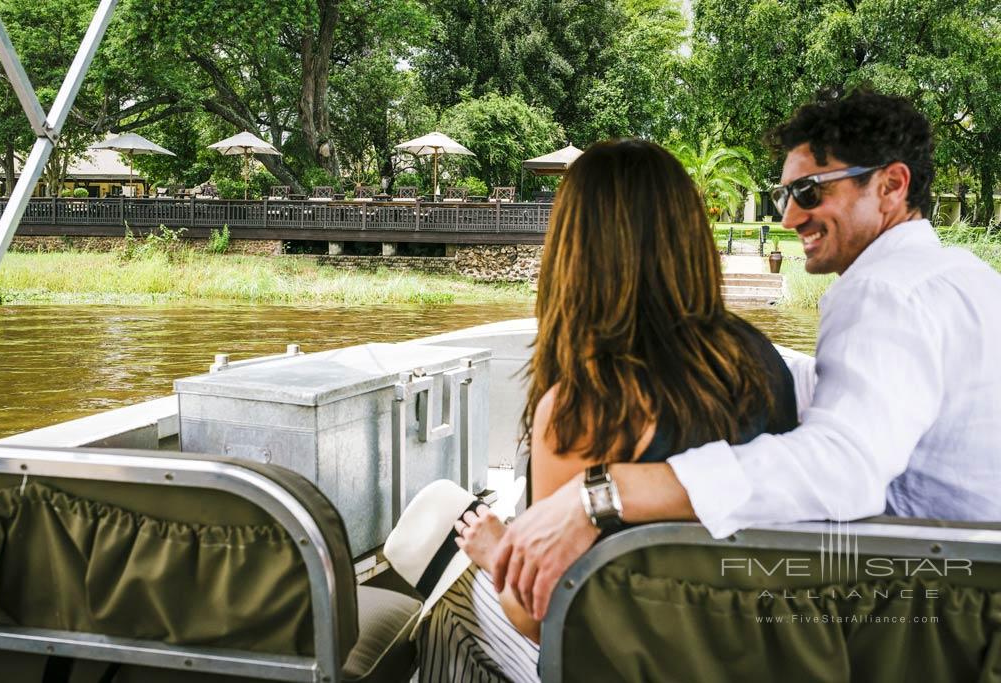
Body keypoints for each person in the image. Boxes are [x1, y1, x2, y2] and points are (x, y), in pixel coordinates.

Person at [491, 90, 1001, 624]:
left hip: (928, 618)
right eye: (785, 196)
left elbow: (845, 468)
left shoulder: (883, 291)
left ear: (890, 185)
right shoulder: (966, 279)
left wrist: (601, 493)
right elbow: (877, 395)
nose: (789, 218)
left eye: (808, 191)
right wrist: (703, 348)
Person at [413, 138, 799, 682]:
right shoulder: (763, 366)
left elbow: (545, 617)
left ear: (574, 250)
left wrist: (495, 550)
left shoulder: (581, 409)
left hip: (625, 663)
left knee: (447, 607)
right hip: (747, 656)